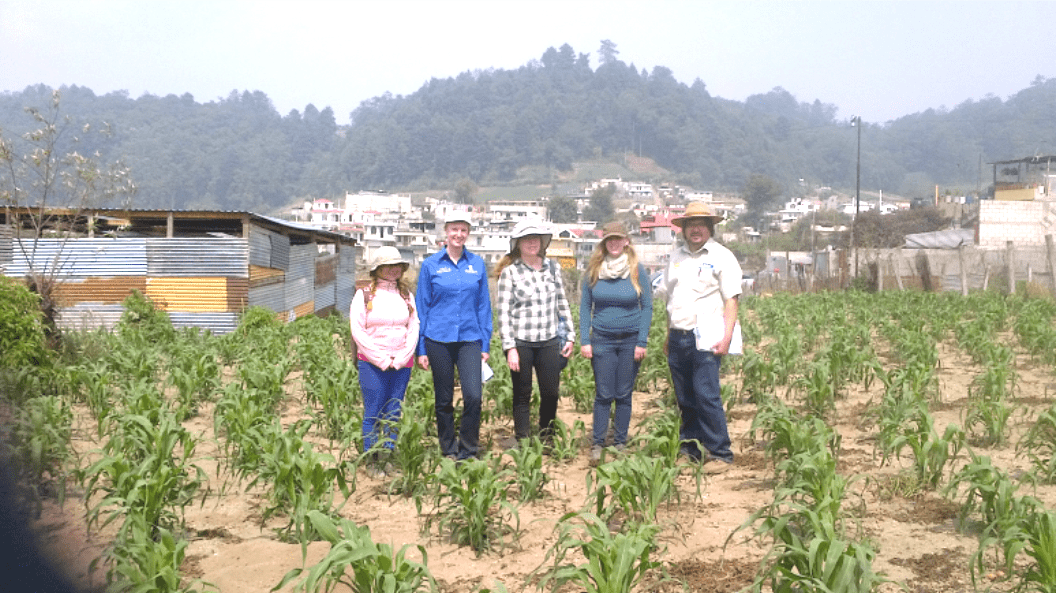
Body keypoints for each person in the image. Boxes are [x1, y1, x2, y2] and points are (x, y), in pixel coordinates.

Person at [661, 202, 742, 471]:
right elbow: (670, 299)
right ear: (683, 229)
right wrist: (667, 333)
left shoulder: (722, 256)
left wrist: (727, 337)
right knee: (684, 396)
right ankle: (691, 449)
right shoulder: (676, 257)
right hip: (678, 335)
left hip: (707, 335)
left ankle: (720, 453)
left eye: (701, 225)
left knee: (706, 394)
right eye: (690, 225)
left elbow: (732, 299)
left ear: (710, 228)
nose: (695, 230)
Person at [416, 212, 493, 460]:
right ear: (445, 233)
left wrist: (485, 342)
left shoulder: (477, 264)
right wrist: (422, 348)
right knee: (444, 398)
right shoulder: (430, 265)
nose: (458, 235)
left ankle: (468, 449)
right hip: (437, 338)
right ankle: (448, 448)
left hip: (470, 338)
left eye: (463, 230)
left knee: (473, 395)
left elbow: (484, 307)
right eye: (454, 230)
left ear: (468, 233)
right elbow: (422, 307)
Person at [495, 219, 575, 445]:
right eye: (527, 239)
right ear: (518, 244)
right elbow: (503, 313)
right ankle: (522, 440)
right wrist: (509, 347)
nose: (532, 243)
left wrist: (570, 334)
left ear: (542, 243)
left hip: (549, 340)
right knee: (523, 394)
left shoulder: (553, 268)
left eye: (536, 239)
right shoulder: (510, 273)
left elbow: (562, 302)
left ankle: (546, 437)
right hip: (521, 342)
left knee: (551, 392)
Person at [579, 221, 652, 463]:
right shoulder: (593, 271)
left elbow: (647, 307)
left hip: (631, 339)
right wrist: (584, 340)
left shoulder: (636, 270)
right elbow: (585, 308)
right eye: (609, 239)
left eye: (618, 239)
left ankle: (620, 441)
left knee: (623, 393)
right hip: (601, 339)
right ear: (604, 243)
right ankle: (598, 443)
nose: (614, 243)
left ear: (626, 242)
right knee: (603, 393)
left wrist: (642, 341)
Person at [350, 247, 419, 478]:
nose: (393, 270)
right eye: (388, 266)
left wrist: (401, 357)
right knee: (373, 410)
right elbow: (357, 330)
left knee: (393, 410)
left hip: (401, 363)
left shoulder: (406, 295)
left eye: (397, 265)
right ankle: (371, 459)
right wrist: (379, 358)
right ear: (377, 269)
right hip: (371, 363)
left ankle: (388, 457)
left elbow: (413, 327)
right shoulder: (364, 295)